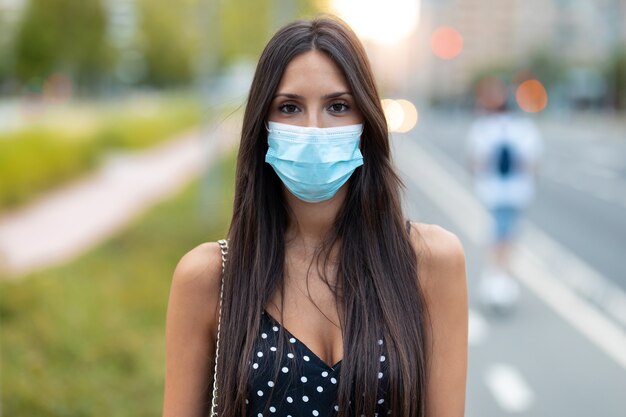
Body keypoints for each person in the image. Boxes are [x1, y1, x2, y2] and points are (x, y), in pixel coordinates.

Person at [163, 16, 468, 417]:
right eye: (289, 107)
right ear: (264, 127)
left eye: (337, 106)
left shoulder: (430, 263)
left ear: (366, 124)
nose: (313, 129)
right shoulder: (210, 277)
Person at [467, 77, 543, 313]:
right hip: (517, 193)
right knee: (507, 238)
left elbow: (476, 163)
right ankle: (501, 279)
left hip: (493, 193)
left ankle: (497, 281)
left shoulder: (482, 129)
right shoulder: (525, 129)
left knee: (497, 238)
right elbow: (532, 164)